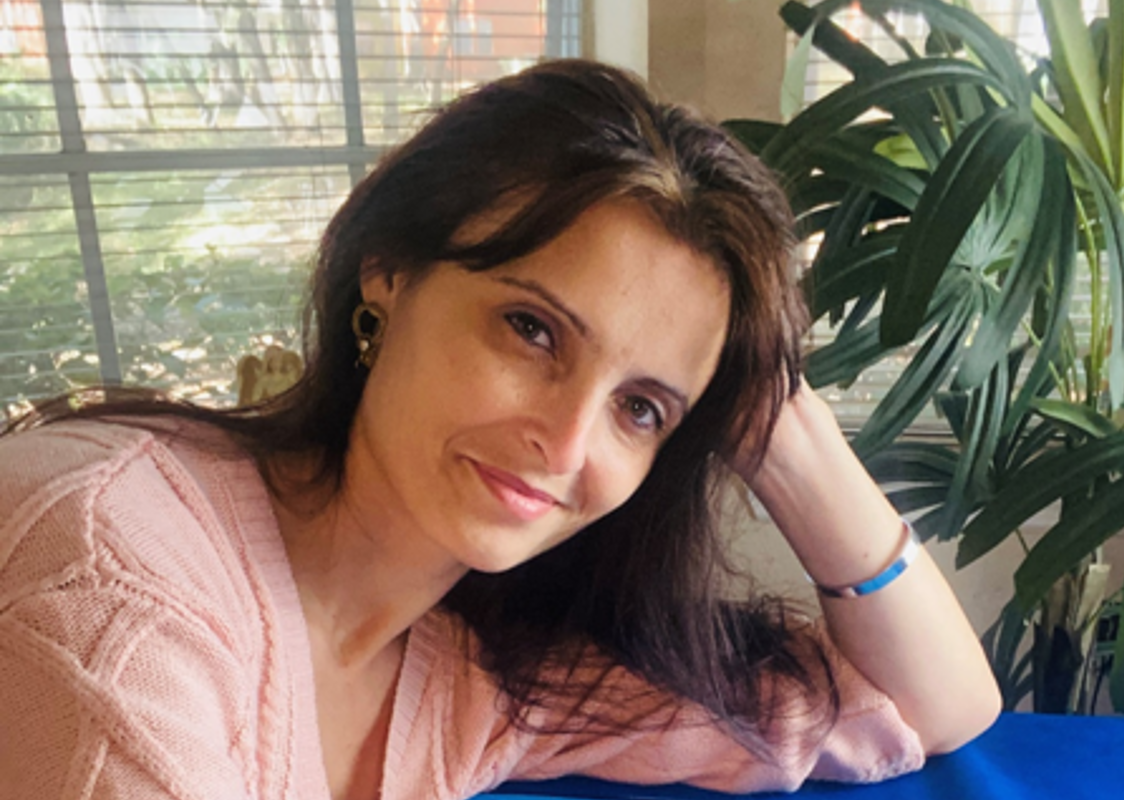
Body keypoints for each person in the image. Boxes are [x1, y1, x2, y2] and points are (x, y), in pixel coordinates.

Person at [0, 60, 1000, 800]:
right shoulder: (113, 580)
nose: (566, 444)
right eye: (531, 329)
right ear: (388, 271)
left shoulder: (471, 668)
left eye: (640, 407)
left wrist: (778, 423)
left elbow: (939, 707)